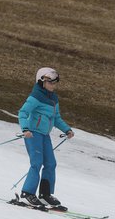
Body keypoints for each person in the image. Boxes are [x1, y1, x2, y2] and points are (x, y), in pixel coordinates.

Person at [18, 67, 74, 207]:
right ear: (41, 81)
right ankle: (27, 193)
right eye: (50, 82)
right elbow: (23, 112)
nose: (52, 85)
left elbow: (56, 118)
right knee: (36, 163)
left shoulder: (53, 99)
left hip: (45, 135)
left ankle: (45, 195)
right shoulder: (35, 97)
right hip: (33, 134)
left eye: (54, 83)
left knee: (50, 164)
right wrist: (25, 129)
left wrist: (67, 129)